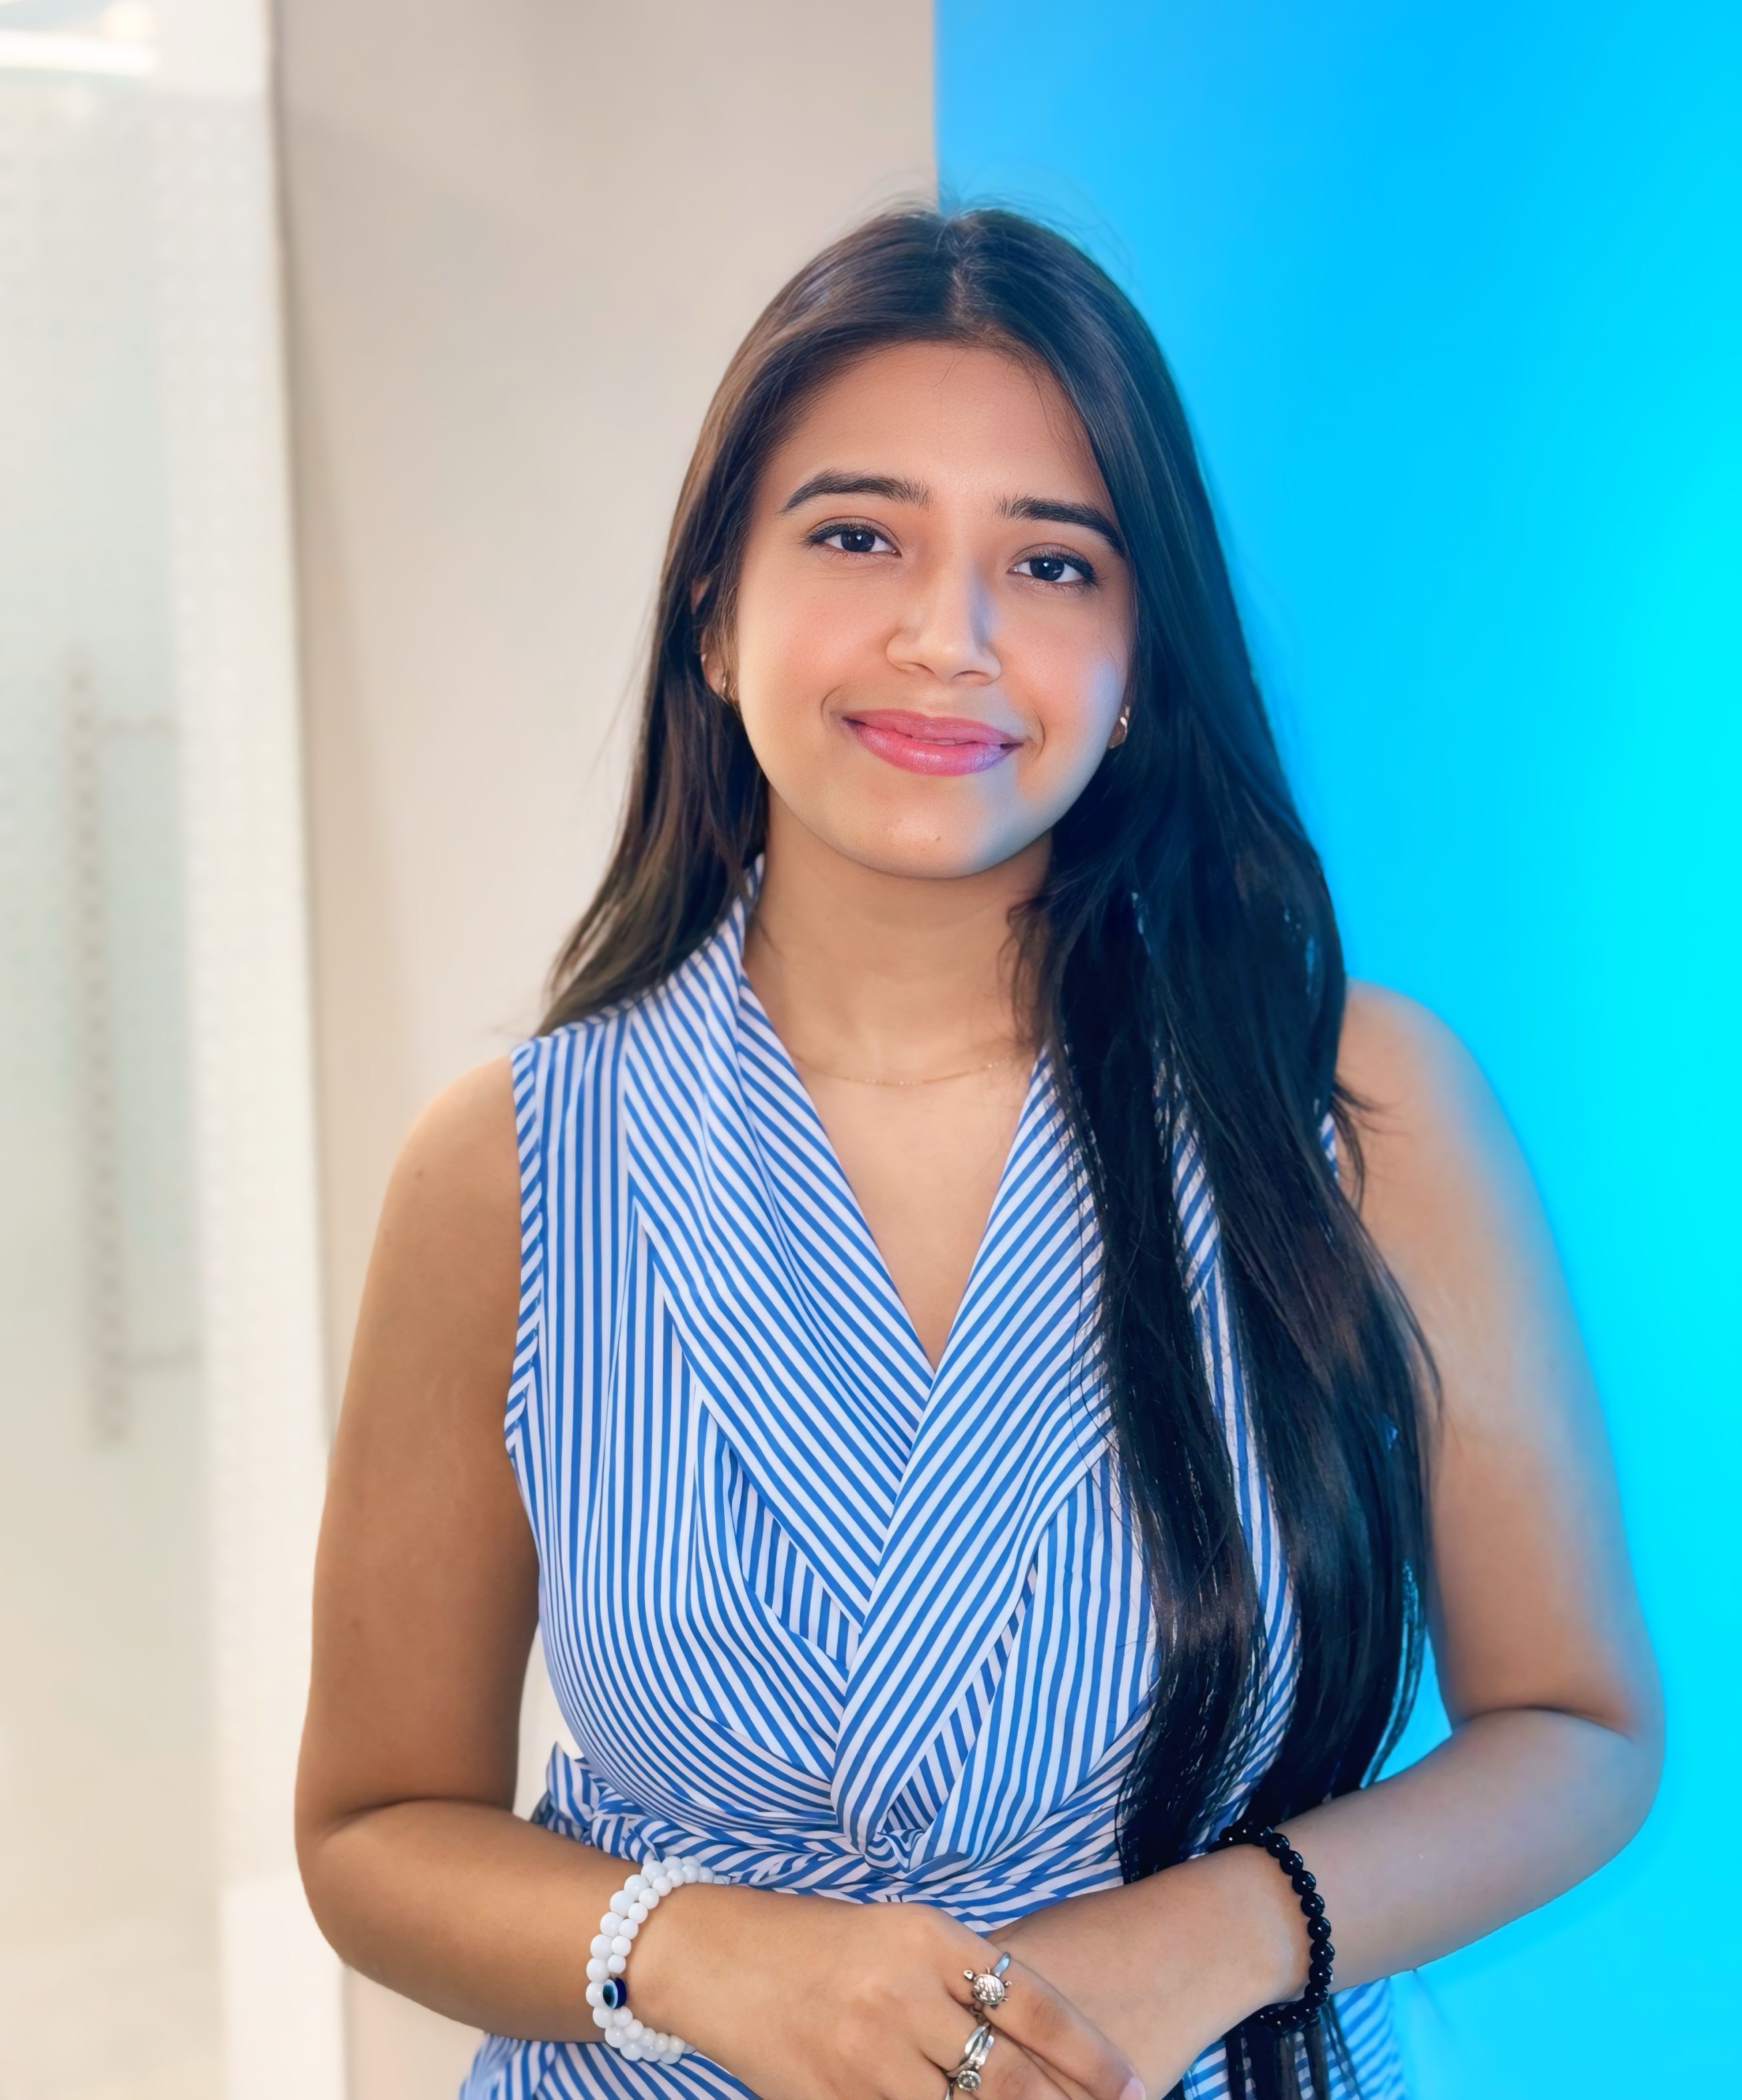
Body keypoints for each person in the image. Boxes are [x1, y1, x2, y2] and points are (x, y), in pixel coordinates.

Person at [294, 208, 1661, 2100]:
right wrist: (708, 1958)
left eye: (1052, 562)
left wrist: (1208, 1939)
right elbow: (372, 1826)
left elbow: (1576, 1730)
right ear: (713, 611)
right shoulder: (512, 1167)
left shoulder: (1350, 1104)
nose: (950, 636)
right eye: (859, 536)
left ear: (1140, 660)